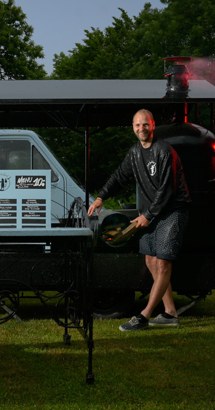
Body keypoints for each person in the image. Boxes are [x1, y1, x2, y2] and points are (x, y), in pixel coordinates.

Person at [88, 109, 191, 331]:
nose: (141, 129)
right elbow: (119, 176)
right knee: (151, 262)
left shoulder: (164, 151)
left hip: (172, 211)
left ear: (153, 125)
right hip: (150, 214)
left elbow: (167, 190)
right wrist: (100, 197)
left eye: (145, 124)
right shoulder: (135, 153)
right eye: (137, 125)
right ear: (133, 128)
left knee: (163, 263)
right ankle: (170, 313)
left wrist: (147, 215)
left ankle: (144, 316)